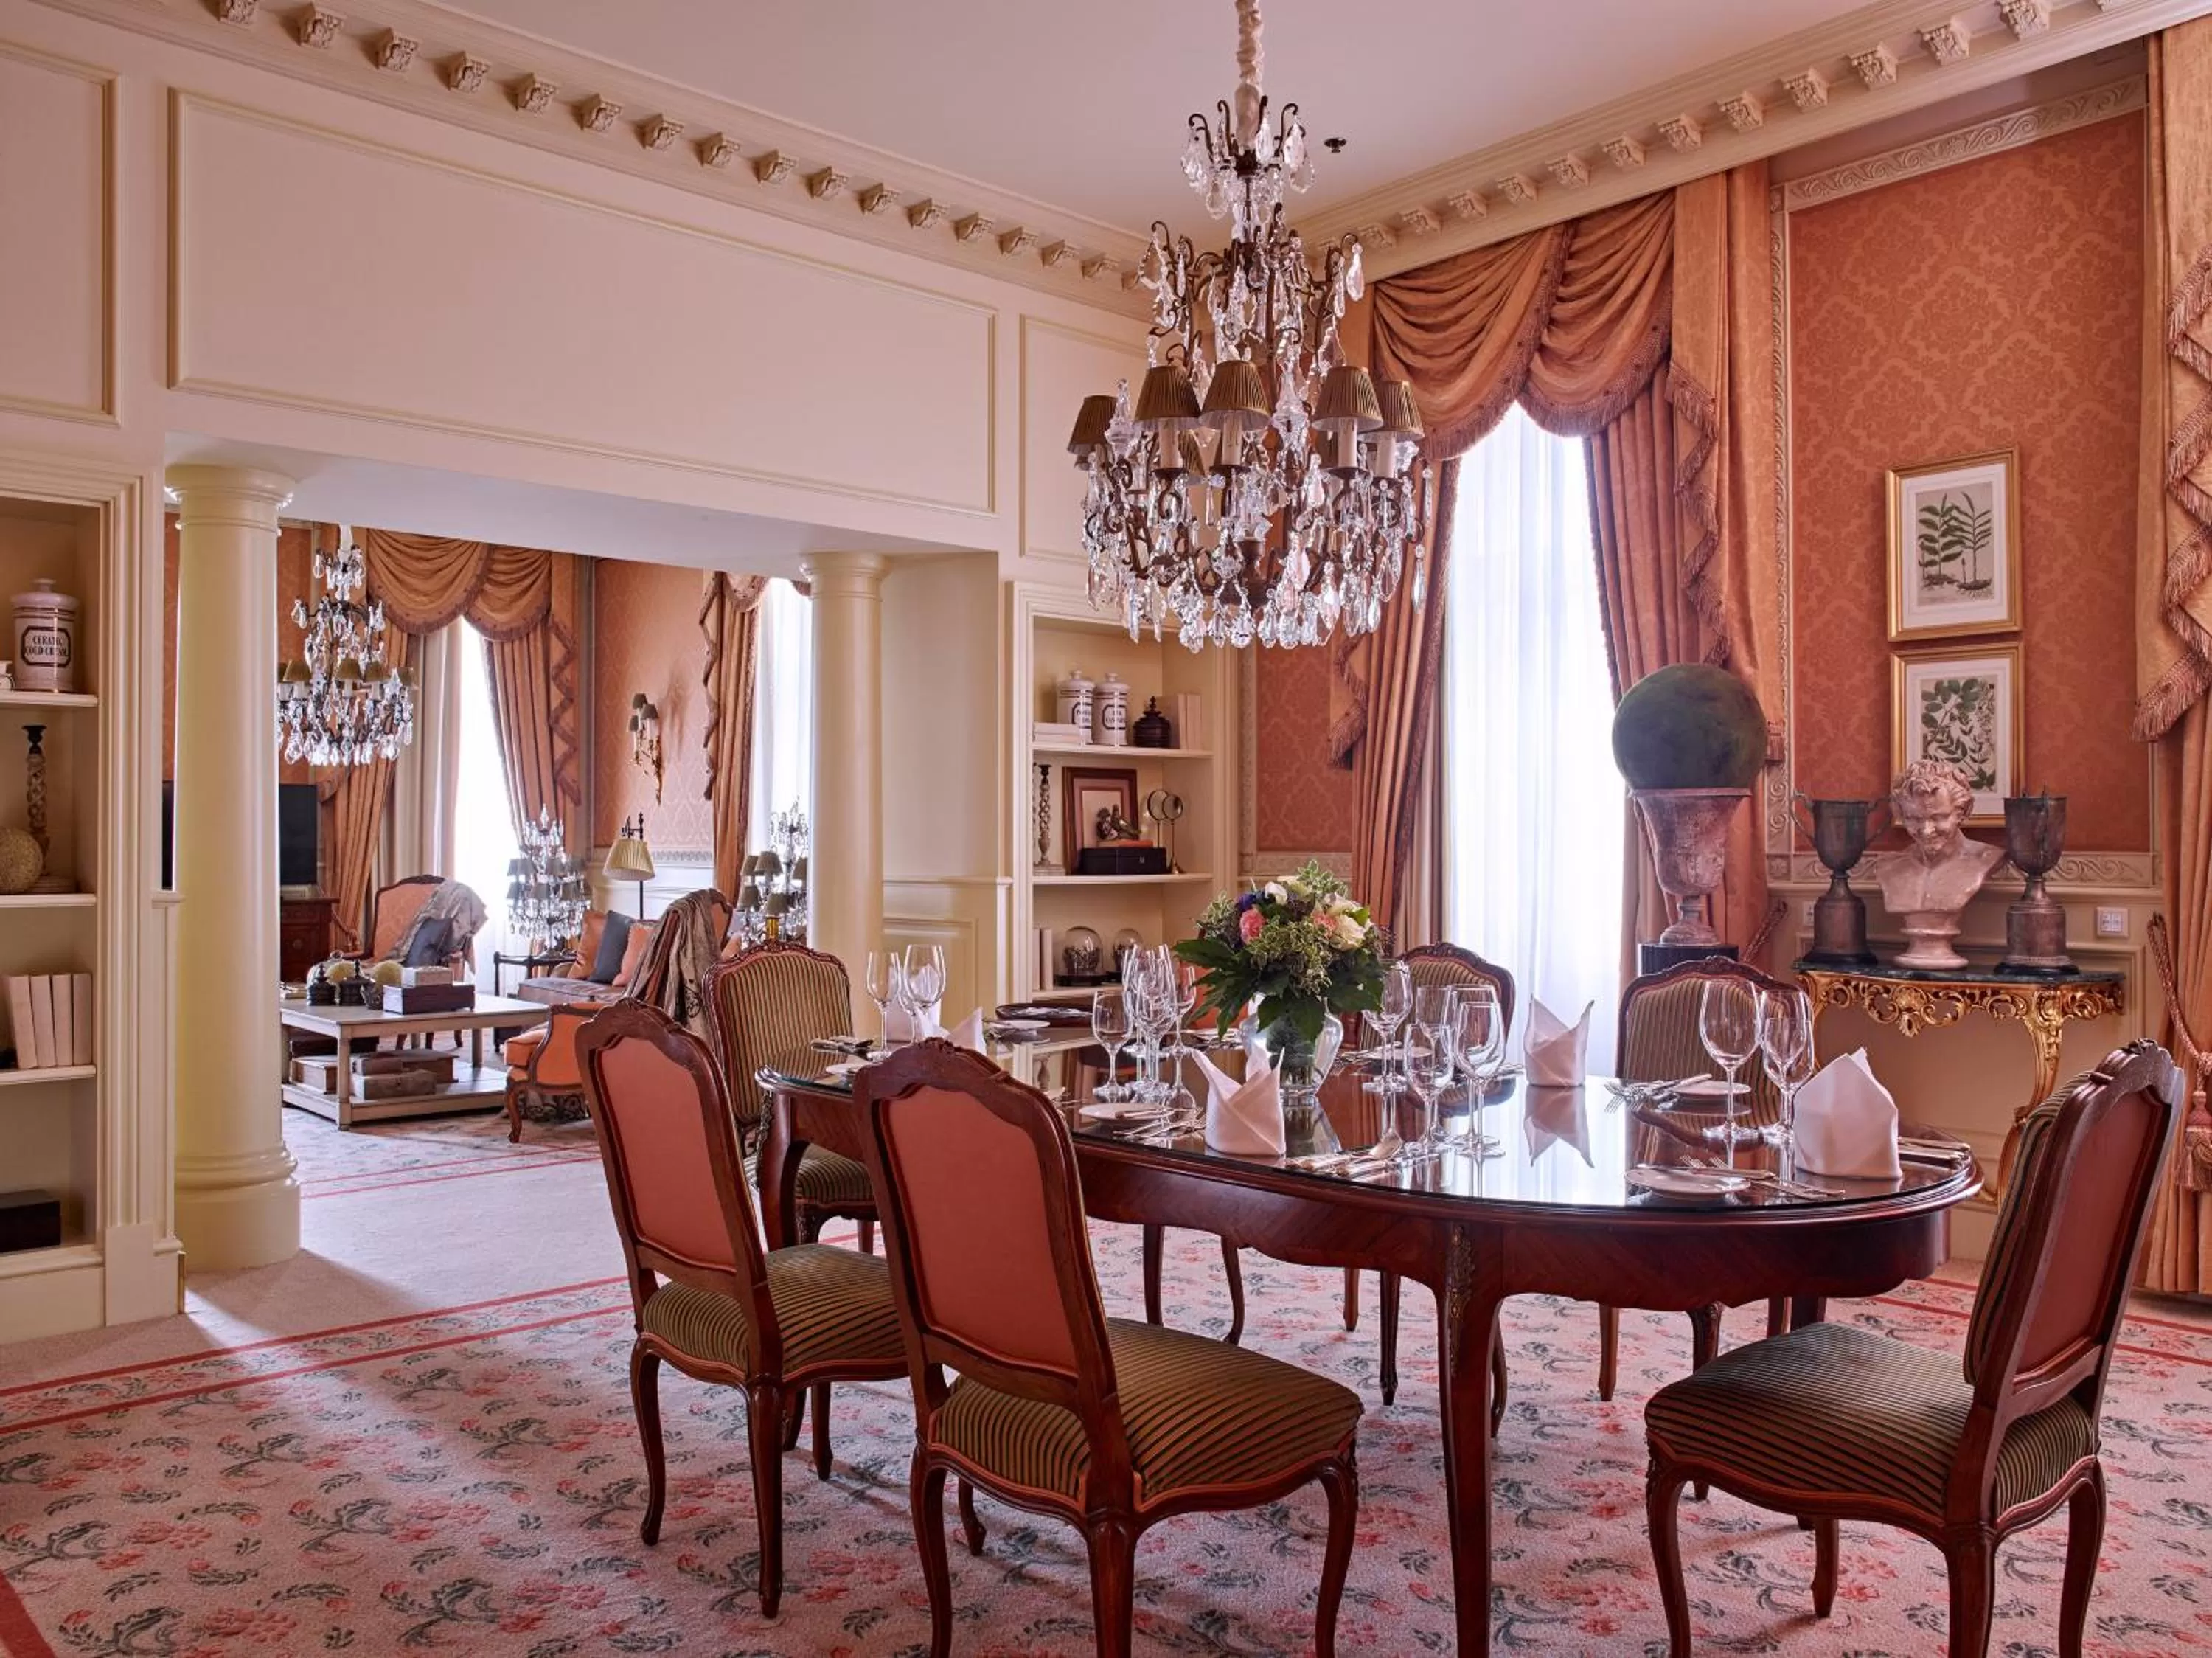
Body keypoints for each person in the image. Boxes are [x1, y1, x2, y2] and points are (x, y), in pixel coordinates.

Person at [1877, 759, 2002, 969]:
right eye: (1914, 819)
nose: (1926, 830)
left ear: (1962, 813)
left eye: (1939, 818)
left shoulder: (1985, 860)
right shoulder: (1889, 868)